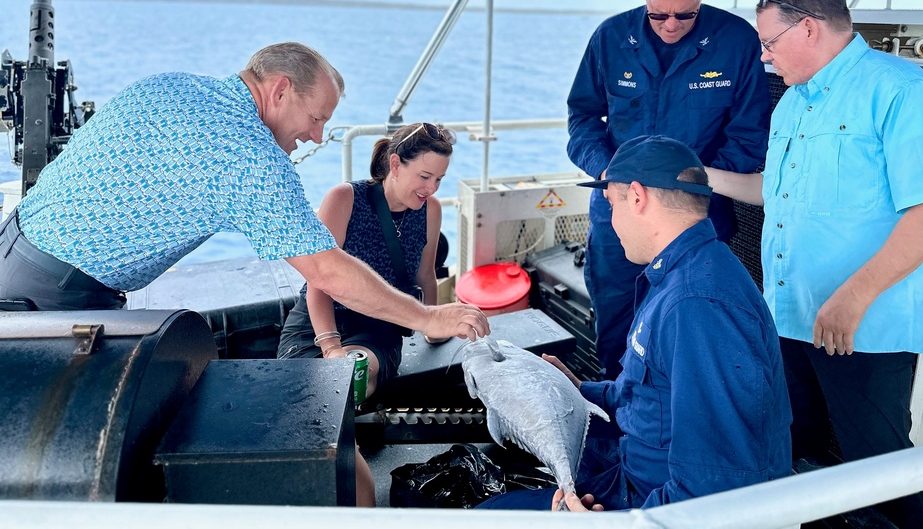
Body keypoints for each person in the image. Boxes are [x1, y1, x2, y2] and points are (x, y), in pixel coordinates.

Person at [0, 42, 489, 346]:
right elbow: (325, 270)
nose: (318, 137)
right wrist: (428, 316)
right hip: (56, 295)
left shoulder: (172, 85)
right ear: (279, 91)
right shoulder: (249, 156)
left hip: (16, 241)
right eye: (316, 118)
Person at [705, 0, 923, 529]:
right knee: (794, 451)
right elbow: (773, 194)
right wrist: (701, 176)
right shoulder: (793, 104)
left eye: (769, 43)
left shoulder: (903, 91)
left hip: (861, 326)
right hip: (790, 314)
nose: (764, 56)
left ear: (808, 27)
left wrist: (853, 298)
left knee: (877, 466)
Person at [478, 134, 792, 512]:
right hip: (631, 472)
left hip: (650, 502)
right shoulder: (682, 273)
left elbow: (716, 490)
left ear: (638, 198)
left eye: (611, 203)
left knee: (484, 518)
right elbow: (650, 397)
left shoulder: (696, 306)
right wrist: (579, 389)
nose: (611, 220)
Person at [567, 0, 770, 378]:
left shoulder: (737, 42)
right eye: (659, 13)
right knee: (617, 320)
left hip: (698, 218)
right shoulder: (609, 39)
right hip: (618, 212)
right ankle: (617, 423)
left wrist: (693, 186)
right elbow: (581, 119)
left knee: (687, 327)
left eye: (685, 14)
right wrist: (607, 171)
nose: (671, 24)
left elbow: (750, 135)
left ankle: (671, 429)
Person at [278, 121, 455, 398]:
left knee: (353, 378)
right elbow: (319, 280)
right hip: (318, 320)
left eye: (439, 179)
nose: (431, 188)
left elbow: (425, 275)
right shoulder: (344, 198)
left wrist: (433, 324)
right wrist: (330, 347)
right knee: (298, 389)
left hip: (378, 322)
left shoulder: (430, 210)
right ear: (395, 164)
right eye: (424, 176)